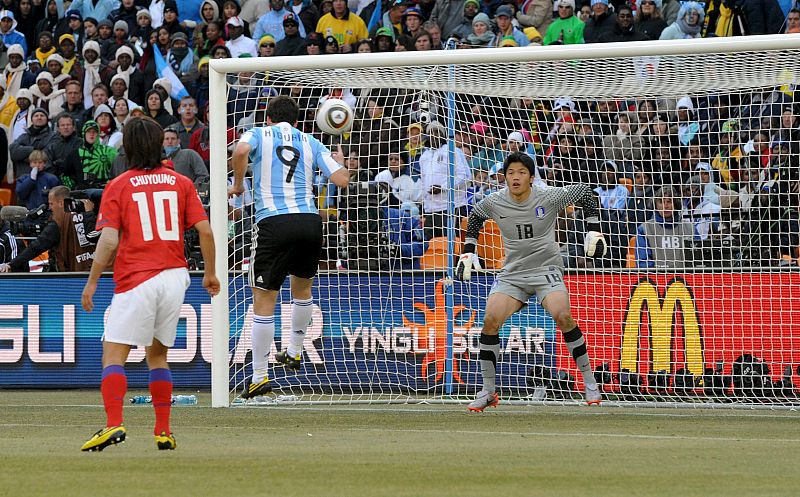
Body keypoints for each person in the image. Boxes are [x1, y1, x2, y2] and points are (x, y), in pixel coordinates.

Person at [80, 116, 219, 452]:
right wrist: (211, 273)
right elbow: (205, 230)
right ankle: (163, 431)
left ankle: (114, 424)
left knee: (113, 354)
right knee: (157, 356)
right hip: (175, 277)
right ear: (161, 145)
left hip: (137, 277)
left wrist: (92, 281)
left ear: (126, 148)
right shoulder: (180, 182)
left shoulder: (120, 184)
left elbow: (109, 240)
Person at [455, 151, 606, 411]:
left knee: (562, 315)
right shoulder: (495, 201)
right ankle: (488, 391)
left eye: (521, 172)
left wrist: (593, 228)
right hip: (513, 273)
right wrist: (469, 250)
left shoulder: (547, 196)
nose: (515, 177)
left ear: (531, 177)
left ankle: (590, 383)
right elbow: (476, 216)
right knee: (490, 320)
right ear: (504, 177)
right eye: (510, 173)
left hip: (546, 269)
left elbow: (584, 192)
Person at [228, 95, 349, 399]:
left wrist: (240, 184)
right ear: (296, 120)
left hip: (274, 222)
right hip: (309, 221)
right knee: (303, 290)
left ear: (268, 117)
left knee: (264, 298)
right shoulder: (310, 141)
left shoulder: (257, 133)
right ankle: (295, 350)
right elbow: (342, 180)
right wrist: (341, 159)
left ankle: (258, 376)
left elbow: (240, 150)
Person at [0, 185, 95, 273]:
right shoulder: (88, 214)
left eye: (51, 204)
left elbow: (36, 247)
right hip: (91, 270)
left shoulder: (58, 221)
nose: (50, 208)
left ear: (61, 203)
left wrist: (11, 265)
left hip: (68, 277)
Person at [636, 186, 694, 268]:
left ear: (676, 204)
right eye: (661, 202)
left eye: (669, 201)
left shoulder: (690, 228)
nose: (665, 206)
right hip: (656, 278)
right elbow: (643, 263)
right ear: (655, 205)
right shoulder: (645, 229)